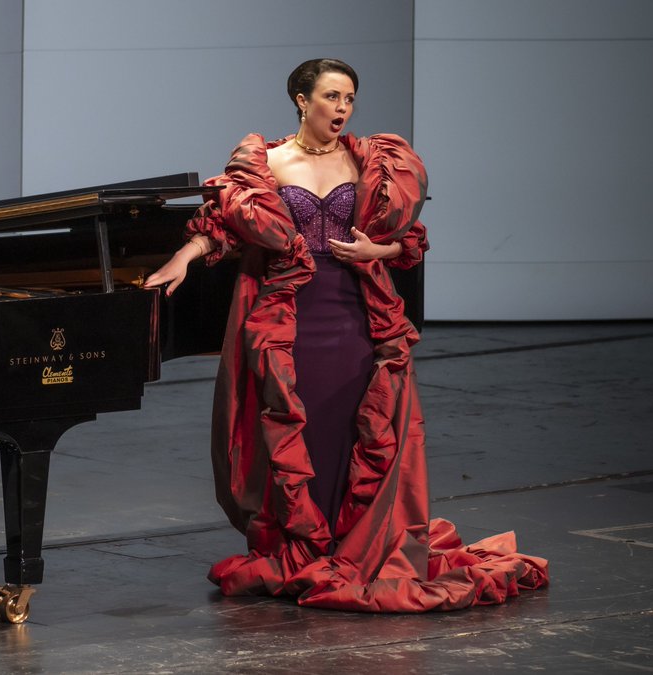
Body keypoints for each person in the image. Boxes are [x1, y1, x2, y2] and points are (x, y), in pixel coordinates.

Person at [144, 59, 548, 611]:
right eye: (332, 97)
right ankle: (304, 545)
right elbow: (223, 224)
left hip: (355, 312)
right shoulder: (266, 162)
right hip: (290, 316)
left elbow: (408, 241)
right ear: (300, 99)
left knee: (356, 425)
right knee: (296, 432)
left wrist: (374, 250)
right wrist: (182, 259)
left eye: (349, 99)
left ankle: (357, 545)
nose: (342, 109)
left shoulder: (370, 162)